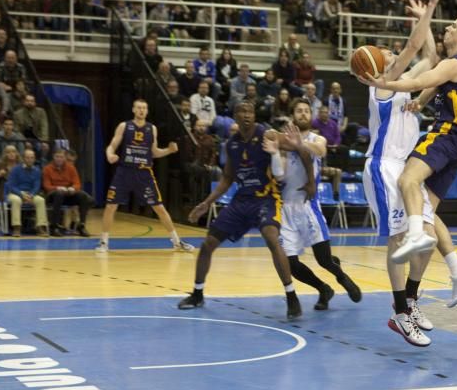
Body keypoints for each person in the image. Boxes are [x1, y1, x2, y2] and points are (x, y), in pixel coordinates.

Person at [360, 0, 457, 346]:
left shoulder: (407, 83)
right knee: (398, 238)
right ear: (380, 66)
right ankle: (399, 312)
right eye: (387, 53)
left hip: (405, 164)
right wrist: (428, 12)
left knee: (424, 237)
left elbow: (428, 53)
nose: (394, 53)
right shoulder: (383, 84)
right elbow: (414, 46)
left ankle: (411, 300)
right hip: (383, 167)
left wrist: (424, 20)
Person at [177, 102, 302, 320]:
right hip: (241, 201)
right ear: (235, 116)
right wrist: (207, 203)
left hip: (266, 199)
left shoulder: (267, 134)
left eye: (250, 111)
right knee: (208, 244)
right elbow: (227, 178)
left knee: (272, 239)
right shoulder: (231, 144)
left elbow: (295, 146)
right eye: (242, 111)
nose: (246, 115)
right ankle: (197, 293)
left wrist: (299, 145)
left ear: (254, 115)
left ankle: (292, 296)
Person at [272, 98, 361, 310]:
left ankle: (341, 277)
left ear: (310, 115)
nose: (303, 114)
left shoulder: (317, 138)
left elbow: (320, 151)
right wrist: (278, 150)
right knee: (290, 263)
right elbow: (280, 172)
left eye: (306, 111)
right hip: (286, 207)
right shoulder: (284, 140)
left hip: (308, 206)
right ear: (292, 115)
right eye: (299, 111)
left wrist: (297, 143)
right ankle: (323, 289)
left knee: (324, 260)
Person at [95, 99, 194, 253]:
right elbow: (112, 145)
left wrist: (169, 150)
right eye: (139, 107)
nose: (141, 110)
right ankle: (103, 242)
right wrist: (109, 154)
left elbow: (154, 152)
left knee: (159, 207)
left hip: (144, 173)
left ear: (147, 111)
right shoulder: (124, 126)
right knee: (110, 206)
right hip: (124, 172)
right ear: (133, 110)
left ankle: (176, 241)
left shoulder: (151, 128)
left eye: (144, 108)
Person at [42, 148, 92, 236]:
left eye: (61, 157)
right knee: (59, 194)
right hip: (53, 195)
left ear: (64, 158)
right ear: (53, 157)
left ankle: (81, 226)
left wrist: (72, 188)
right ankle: (54, 226)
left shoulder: (71, 168)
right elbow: (47, 186)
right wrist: (58, 188)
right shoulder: (47, 169)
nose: (59, 159)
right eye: (57, 156)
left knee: (83, 195)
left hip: (67, 194)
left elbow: (77, 183)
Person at [5, 148, 48, 237]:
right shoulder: (15, 169)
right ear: (23, 158)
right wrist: (21, 194)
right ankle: (17, 227)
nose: (30, 160)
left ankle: (40, 226)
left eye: (32, 158)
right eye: (27, 157)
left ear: (34, 159)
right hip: (15, 193)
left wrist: (31, 195)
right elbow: (11, 186)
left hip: (30, 194)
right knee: (17, 200)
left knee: (40, 200)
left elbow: (37, 186)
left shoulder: (37, 171)